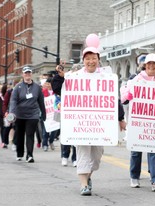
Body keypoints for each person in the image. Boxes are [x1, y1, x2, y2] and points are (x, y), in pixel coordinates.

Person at [53, 47, 126, 195]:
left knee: (96, 157)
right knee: (82, 153)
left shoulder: (106, 76)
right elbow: (58, 89)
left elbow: (114, 100)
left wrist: (120, 118)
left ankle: (88, 176)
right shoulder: (75, 76)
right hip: (81, 123)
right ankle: (84, 185)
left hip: (100, 125)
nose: (90, 61)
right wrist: (60, 76)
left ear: (98, 59)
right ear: (83, 60)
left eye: (93, 58)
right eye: (87, 58)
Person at [120, 53, 155, 192]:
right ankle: (134, 176)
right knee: (136, 151)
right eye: (149, 63)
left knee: (154, 151)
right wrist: (128, 96)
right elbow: (123, 98)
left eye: (154, 64)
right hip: (138, 120)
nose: (151, 66)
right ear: (145, 65)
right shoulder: (135, 80)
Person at [9, 66, 46, 163]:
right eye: (26, 73)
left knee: (30, 134)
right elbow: (13, 100)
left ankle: (30, 155)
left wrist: (44, 113)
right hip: (20, 114)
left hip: (33, 115)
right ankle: (19, 153)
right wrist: (12, 112)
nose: (27, 74)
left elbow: (41, 101)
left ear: (31, 74)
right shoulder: (18, 87)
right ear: (23, 74)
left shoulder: (37, 87)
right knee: (20, 135)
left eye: (29, 72)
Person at [41, 77, 56, 151]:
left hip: (55, 113)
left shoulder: (56, 92)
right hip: (45, 113)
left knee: (54, 130)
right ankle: (44, 144)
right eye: (46, 83)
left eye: (49, 84)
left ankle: (51, 141)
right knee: (45, 129)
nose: (47, 85)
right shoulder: (42, 92)